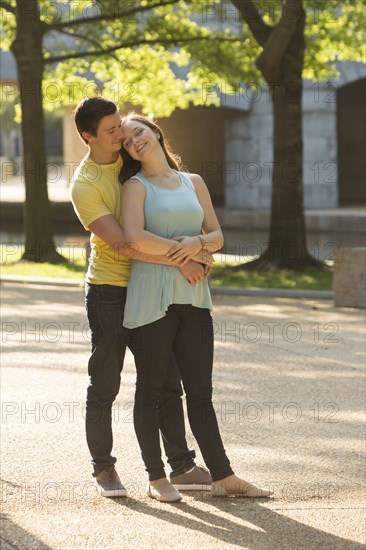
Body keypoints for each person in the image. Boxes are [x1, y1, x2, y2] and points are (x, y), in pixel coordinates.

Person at [120, 113, 274, 502]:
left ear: (155, 132)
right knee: (151, 390)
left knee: (200, 393)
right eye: (126, 141)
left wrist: (198, 245)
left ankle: (223, 476)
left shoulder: (194, 182)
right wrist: (186, 256)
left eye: (138, 132)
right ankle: (157, 479)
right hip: (152, 298)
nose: (134, 141)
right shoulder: (134, 187)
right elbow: (135, 239)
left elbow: (217, 235)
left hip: (195, 298)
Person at [69, 97, 214, 498]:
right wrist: (184, 261)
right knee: (106, 381)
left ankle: (181, 466)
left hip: (150, 284)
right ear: (88, 137)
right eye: (112, 130)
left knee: (166, 379)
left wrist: (197, 248)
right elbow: (123, 245)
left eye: (122, 126)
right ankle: (104, 468)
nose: (122, 135)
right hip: (110, 291)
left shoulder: (129, 158)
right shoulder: (84, 186)